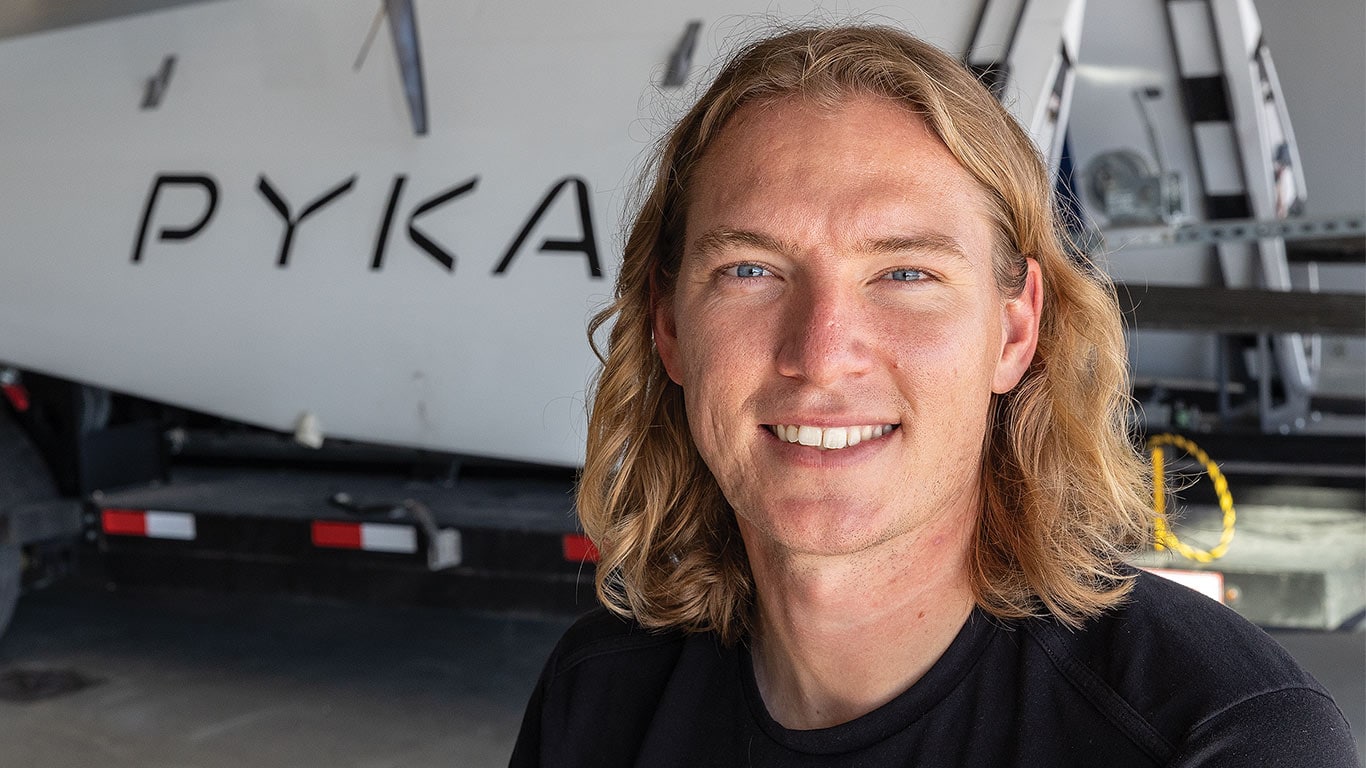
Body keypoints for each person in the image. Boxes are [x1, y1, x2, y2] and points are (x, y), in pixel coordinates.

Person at [510, 25, 1358, 767]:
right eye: (751, 271)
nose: (821, 354)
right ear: (667, 327)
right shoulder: (600, 696)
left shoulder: (1221, 736)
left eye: (906, 272)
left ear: (1015, 331)